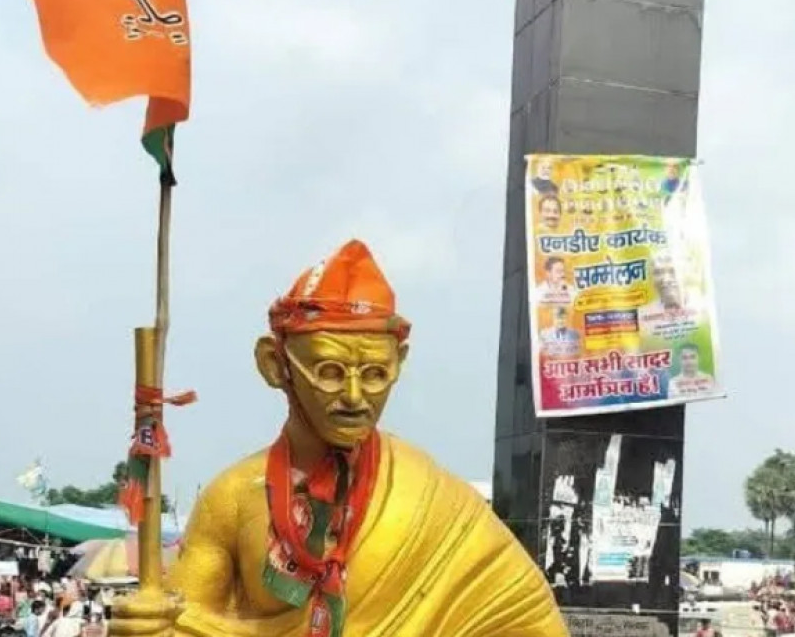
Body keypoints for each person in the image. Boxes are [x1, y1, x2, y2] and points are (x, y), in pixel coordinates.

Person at [110, 240, 565, 636]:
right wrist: (152, 626)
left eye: (374, 375)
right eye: (329, 372)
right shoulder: (231, 500)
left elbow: (526, 622)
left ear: (399, 364)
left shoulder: (435, 503)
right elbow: (186, 618)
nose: (353, 397)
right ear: (276, 365)